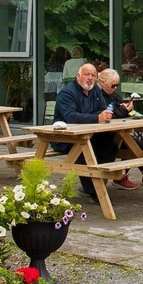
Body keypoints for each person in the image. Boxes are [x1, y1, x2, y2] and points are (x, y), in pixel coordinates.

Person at [51, 64, 134, 200]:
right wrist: (96, 118)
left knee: (111, 147)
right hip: (65, 138)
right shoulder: (67, 93)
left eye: (93, 75)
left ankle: (98, 182)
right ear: (78, 76)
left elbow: (102, 109)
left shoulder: (95, 90)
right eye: (86, 74)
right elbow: (71, 117)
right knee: (85, 150)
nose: (90, 78)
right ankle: (95, 191)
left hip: (90, 135)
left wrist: (99, 116)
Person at [97, 70, 143, 188]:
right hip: (102, 135)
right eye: (113, 85)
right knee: (132, 146)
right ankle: (122, 177)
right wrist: (124, 111)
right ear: (102, 82)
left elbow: (119, 111)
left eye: (117, 85)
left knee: (137, 145)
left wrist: (126, 109)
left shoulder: (113, 94)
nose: (115, 88)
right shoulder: (97, 96)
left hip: (115, 132)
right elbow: (109, 115)